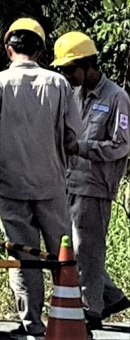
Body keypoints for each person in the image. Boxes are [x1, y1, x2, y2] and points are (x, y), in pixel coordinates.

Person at [0, 18, 82, 338]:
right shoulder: (59, 84)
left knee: (23, 255)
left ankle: (32, 324)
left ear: (9, 48)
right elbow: (73, 134)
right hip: (51, 181)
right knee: (61, 252)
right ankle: (71, 316)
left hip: (12, 183)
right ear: (39, 49)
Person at [53, 30, 130, 327]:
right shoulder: (74, 93)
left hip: (96, 186)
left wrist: (82, 148)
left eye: (71, 70)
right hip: (70, 182)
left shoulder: (116, 98)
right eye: (63, 71)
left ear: (88, 65)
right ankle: (110, 297)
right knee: (73, 250)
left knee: (88, 251)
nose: (68, 76)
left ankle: (92, 310)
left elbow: (121, 145)